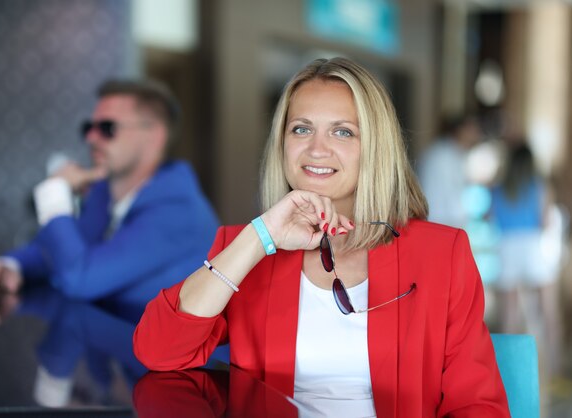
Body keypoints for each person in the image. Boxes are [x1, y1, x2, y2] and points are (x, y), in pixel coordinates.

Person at [133, 58, 509, 417]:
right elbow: (158, 350)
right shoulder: (247, 249)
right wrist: (261, 236)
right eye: (301, 128)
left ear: (375, 148)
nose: (316, 148)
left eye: (343, 131)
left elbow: (476, 405)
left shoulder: (441, 253)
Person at [0, 79, 219, 307]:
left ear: (154, 136)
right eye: (89, 127)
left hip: (163, 352)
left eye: (107, 128)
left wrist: (54, 194)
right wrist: (12, 265)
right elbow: (64, 250)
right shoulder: (103, 192)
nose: (91, 137)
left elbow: (80, 279)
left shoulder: (177, 210)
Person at [490, 141, 563, 375]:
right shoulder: (539, 185)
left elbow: (490, 216)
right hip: (533, 246)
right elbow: (546, 221)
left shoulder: (499, 186)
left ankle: (505, 371)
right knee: (548, 310)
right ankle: (555, 368)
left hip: (507, 246)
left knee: (509, 314)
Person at [418, 114, 482, 228]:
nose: (475, 136)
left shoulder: (450, 153)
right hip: (440, 222)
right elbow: (452, 200)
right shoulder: (443, 155)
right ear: (460, 131)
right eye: (472, 131)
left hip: (440, 220)